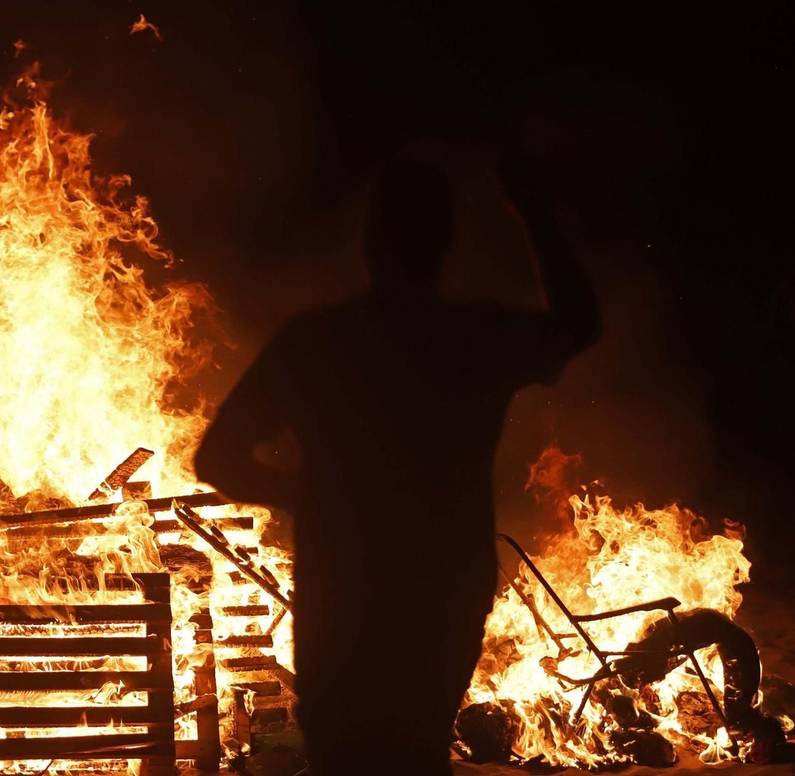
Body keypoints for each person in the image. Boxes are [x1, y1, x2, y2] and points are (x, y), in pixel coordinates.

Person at [194, 154, 600, 774]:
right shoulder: (472, 337)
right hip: (444, 587)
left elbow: (217, 456)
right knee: (418, 749)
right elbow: (579, 324)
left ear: (368, 243)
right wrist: (534, 212)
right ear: (446, 245)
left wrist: (303, 496)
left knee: (342, 754)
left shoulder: (319, 340)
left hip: (344, 588)